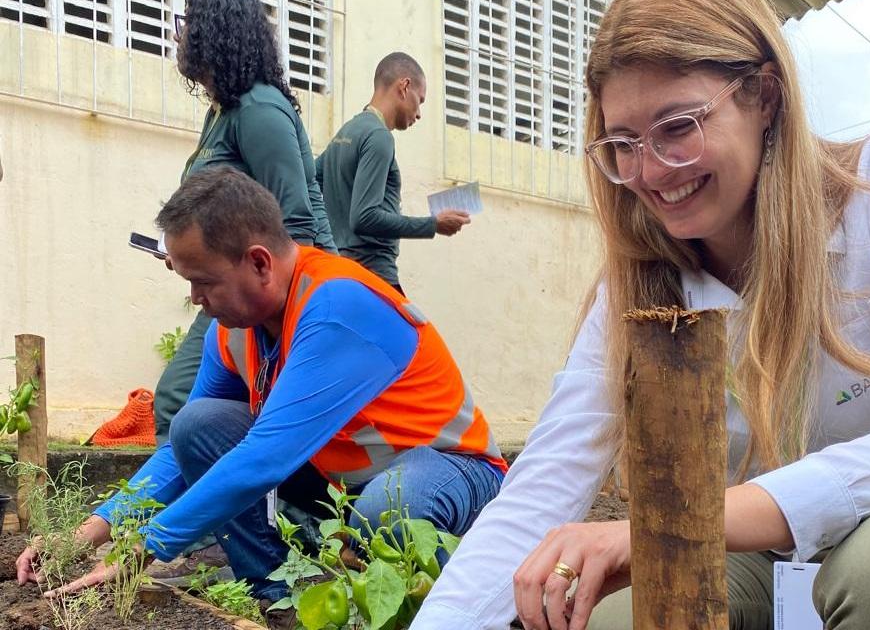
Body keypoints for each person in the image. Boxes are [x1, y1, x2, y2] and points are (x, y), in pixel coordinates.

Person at [410, 0, 870, 629]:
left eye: (678, 127)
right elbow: (546, 483)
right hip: (753, 559)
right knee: (613, 618)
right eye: (623, 144)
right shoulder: (640, 280)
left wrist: (671, 527)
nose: (650, 172)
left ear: (764, 95)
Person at [16, 167, 506, 616]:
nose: (195, 299)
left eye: (203, 282)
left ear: (258, 262)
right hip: (344, 482)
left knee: (389, 509)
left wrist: (143, 548)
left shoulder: (337, 307)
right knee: (196, 425)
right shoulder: (234, 330)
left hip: (452, 470)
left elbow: (264, 458)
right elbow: (181, 453)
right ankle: (279, 594)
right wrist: (89, 531)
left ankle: (460, 603)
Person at [153, 0, 337, 447]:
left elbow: (297, 216)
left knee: (177, 400)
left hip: (265, 290)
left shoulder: (258, 108)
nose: (179, 34)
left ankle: (197, 496)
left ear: (214, 31)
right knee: (205, 408)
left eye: (187, 23)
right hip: (233, 283)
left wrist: (284, 317)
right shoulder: (224, 110)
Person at [317, 52, 470, 294]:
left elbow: (309, 181)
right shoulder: (379, 137)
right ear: (404, 87)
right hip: (375, 277)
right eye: (420, 101)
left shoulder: (347, 132)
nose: (418, 114)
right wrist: (433, 224)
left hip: (338, 273)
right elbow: (364, 217)